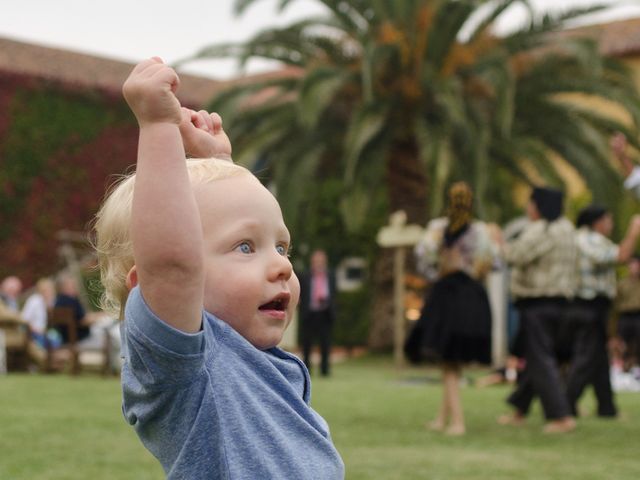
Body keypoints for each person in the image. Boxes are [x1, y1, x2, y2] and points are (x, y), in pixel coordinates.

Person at [93, 58, 344, 479]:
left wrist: (223, 167)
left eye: (282, 246)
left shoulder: (262, 361)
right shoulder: (182, 371)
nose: (281, 265)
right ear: (148, 291)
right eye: (246, 246)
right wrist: (157, 127)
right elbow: (172, 265)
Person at [411, 182, 496, 436]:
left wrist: (439, 267)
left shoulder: (439, 228)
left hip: (448, 297)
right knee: (451, 363)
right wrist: (473, 269)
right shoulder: (479, 231)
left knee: (449, 363)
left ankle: (457, 423)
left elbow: (422, 252)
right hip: (470, 296)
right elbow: (494, 260)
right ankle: (442, 418)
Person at [501, 187, 577, 433]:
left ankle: (561, 416)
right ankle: (519, 409)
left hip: (538, 302)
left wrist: (499, 242)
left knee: (541, 359)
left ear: (538, 206)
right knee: (537, 357)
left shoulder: (543, 229)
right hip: (561, 303)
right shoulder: (567, 229)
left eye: (530, 204)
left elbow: (516, 256)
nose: (527, 209)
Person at [566, 205, 640, 418]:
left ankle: (606, 408)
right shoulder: (587, 239)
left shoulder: (590, 238)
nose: (611, 223)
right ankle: (565, 404)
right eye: (608, 219)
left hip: (595, 307)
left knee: (598, 359)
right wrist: (634, 231)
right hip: (588, 306)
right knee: (586, 357)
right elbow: (621, 256)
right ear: (597, 221)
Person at [299, 249, 337, 376]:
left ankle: (325, 370)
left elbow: (334, 294)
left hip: (325, 313)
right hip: (309, 313)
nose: (319, 264)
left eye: (321, 261)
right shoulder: (305, 276)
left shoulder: (331, 276)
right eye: (316, 261)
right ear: (312, 262)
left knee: (325, 343)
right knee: (307, 344)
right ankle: (307, 370)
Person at [20, 277, 61, 348]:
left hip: (42, 332)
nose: (50, 293)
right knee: (53, 339)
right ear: (41, 290)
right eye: (47, 290)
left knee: (56, 336)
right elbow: (24, 320)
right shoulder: (34, 300)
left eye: (51, 290)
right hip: (32, 333)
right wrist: (37, 331)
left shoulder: (46, 302)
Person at [616, 255, 640, 372]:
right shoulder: (622, 283)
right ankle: (624, 367)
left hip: (638, 315)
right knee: (623, 343)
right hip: (625, 316)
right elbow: (616, 303)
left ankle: (636, 365)